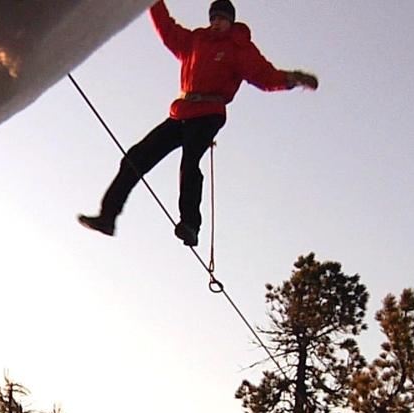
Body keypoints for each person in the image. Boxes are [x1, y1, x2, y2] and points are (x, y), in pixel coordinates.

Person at [78, 0, 318, 247]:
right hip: (181, 112)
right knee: (136, 157)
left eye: (222, 19)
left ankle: (190, 224)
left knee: (190, 163)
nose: (217, 23)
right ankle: (107, 217)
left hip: (209, 113)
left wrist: (292, 79)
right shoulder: (196, 41)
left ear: (231, 22)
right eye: (213, 18)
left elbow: (264, 75)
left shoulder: (238, 48)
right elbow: (167, 29)